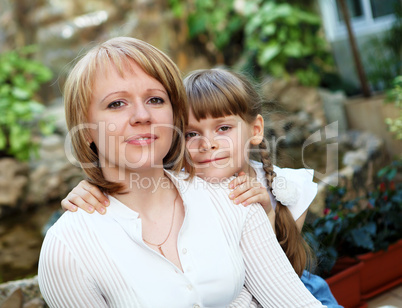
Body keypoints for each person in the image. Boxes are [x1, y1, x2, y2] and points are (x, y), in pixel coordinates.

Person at [38, 36, 326, 307]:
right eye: (116, 103)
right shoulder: (67, 248)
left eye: (155, 100)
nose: (142, 116)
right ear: (86, 128)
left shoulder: (230, 196)